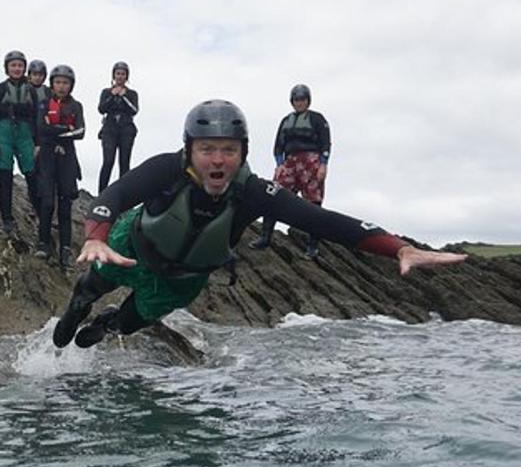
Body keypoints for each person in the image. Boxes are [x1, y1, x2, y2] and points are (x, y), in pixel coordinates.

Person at [52, 100, 467, 349]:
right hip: (131, 249)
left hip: (182, 280)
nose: (218, 160)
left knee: (126, 323)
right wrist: (97, 237)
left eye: (228, 150)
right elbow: (116, 195)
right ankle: (77, 309)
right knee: (90, 288)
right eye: (208, 149)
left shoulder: (253, 193)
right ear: (190, 150)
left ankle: (107, 324)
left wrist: (399, 248)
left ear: (242, 152)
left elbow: (324, 221)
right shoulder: (166, 169)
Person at [251, 83, 330, 258]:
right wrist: (279, 164)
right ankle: (265, 238)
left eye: (302, 99)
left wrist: (323, 164)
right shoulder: (286, 121)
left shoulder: (317, 119)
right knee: (273, 195)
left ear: (308, 101)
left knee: (313, 203)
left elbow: (326, 142)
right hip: (290, 162)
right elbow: (278, 145)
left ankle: (312, 246)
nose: (299, 102)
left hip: (311, 162)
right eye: (296, 99)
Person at [34, 65, 86, 267]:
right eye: (58, 82)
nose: (61, 86)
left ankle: (65, 249)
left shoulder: (77, 106)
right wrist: (66, 129)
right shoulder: (43, 103)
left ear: (71, 85)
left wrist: (54, 129)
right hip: (46, 156)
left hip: (67, 157)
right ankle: (43, 243)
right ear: (52, 83)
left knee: (65, 204)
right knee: (47, 202)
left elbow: (81, 132)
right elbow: (41, 128)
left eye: (65, 83)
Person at [0, 50, 39, 236]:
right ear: (7, 68)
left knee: (32, 175)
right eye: (13, 65)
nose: (17, 68)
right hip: (4, 132)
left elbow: (37, 118)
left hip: (25, 133)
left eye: (20, 65)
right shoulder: (0, 89)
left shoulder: (31, 90)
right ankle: (7, 219)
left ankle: (39, 213)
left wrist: (37, 143)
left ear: (25, 68)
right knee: (5, 176)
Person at [97, 60, 139, 192]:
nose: (120, 76)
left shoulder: (132, 94)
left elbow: (134, 110)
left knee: (124, 162)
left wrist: (124, 97)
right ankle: (102, 193)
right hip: (110, 129)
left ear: (127, 77)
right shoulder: (106, 92)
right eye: (118, 73)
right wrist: (112, 96)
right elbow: (101, 109)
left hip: (126, 129)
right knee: (108, 161)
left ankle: (124, 195)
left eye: (123, 74)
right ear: (113, 75)